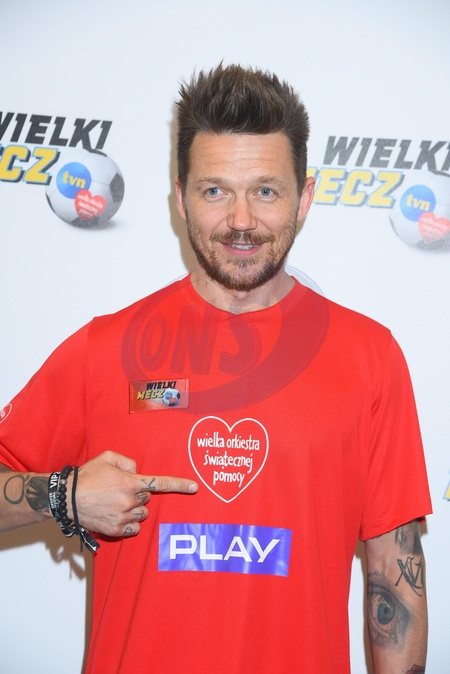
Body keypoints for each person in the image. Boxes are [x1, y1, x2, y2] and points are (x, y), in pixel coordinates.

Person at [0, 64, 431, 673]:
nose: (241, 220)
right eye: (214, 191)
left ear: (305, 198)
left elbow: (394, 576)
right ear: (180, 198)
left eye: (266, 191)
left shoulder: (371, 357)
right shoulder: (105, 348)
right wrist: (63, 495)